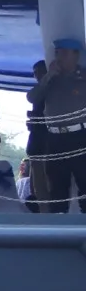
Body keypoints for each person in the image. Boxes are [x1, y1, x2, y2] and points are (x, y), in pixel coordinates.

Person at [28, 38, 86, 212]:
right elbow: (32, 97)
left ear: (76, 56)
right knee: (56, 185)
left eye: (65, 53)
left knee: (84, 182)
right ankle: (59, 231)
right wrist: (48, 76)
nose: (60, 57)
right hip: (54, 138)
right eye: (57, 53)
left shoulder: (83, 77)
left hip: (79, 136)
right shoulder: (50, 79)